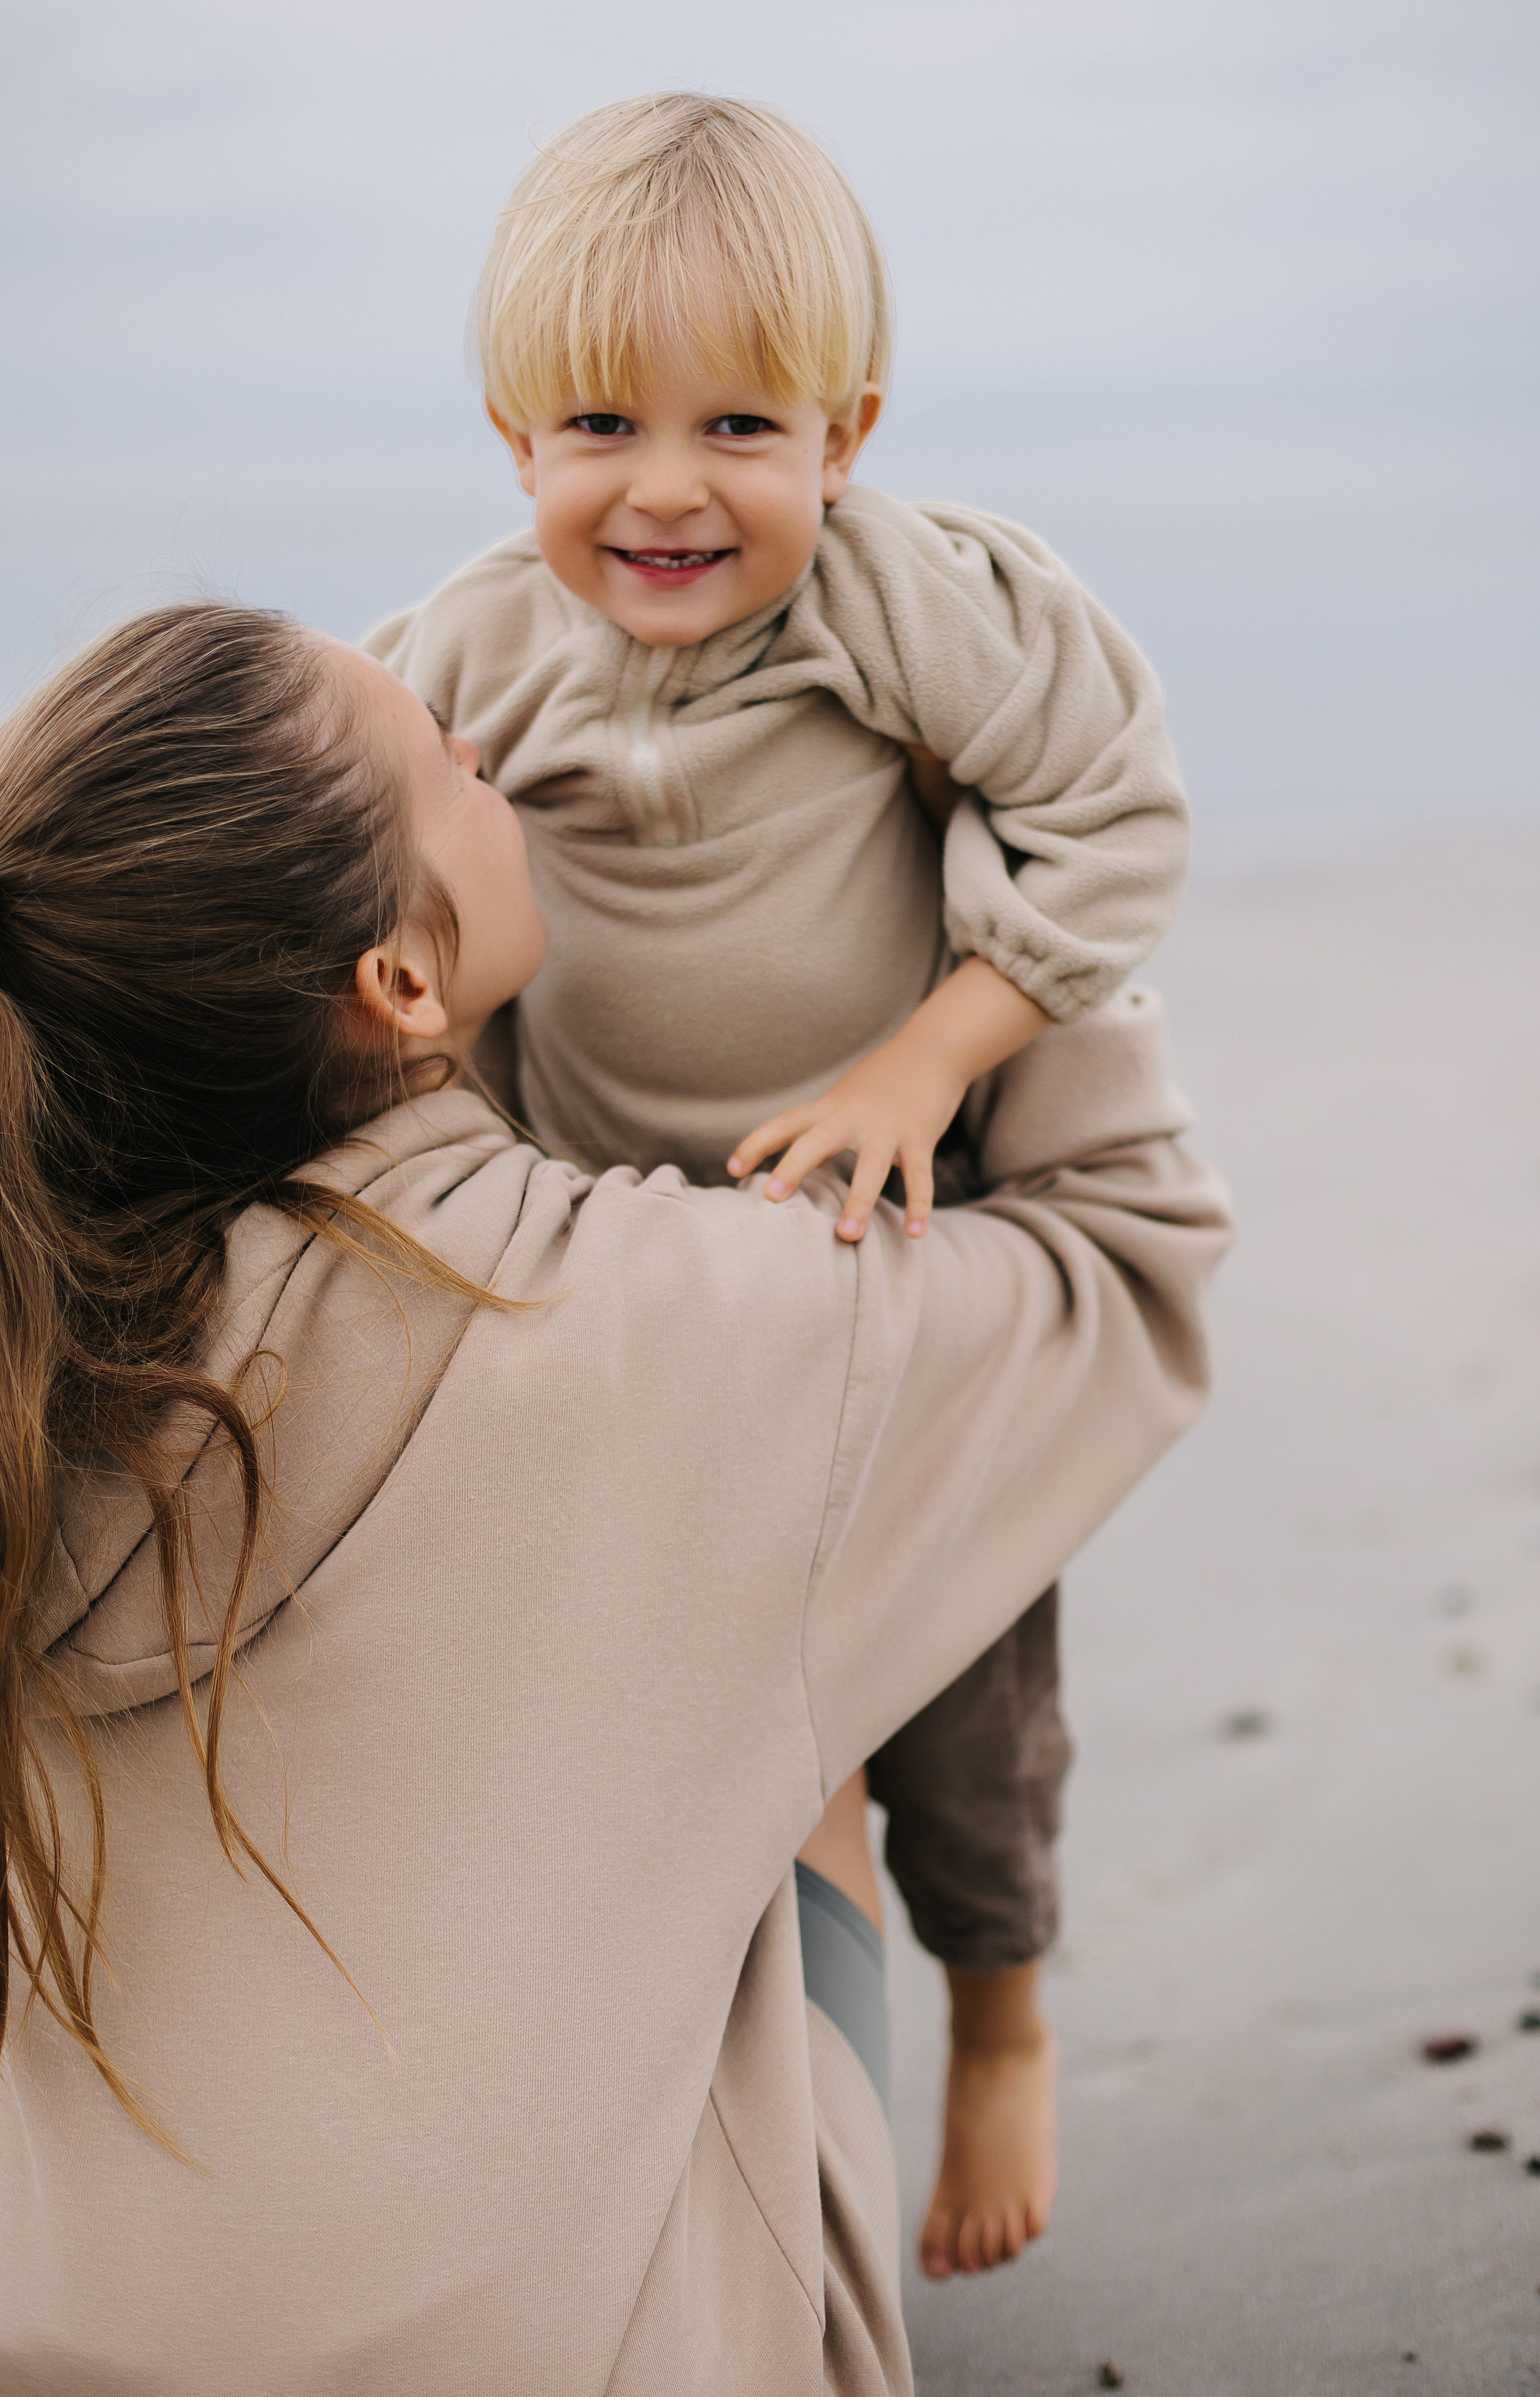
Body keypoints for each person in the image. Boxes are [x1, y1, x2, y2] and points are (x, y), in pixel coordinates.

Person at [0, 602, 1229, 2393]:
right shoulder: (672, 1323)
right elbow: (1130, 1265)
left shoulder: (35, 1366)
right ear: (398, 985)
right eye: (460, 766)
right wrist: (1001, 899)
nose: (502, 768)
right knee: (784, 1655)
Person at [367, 90, 1194, 2275]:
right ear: (506, 434)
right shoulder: (456, 660)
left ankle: (998, 2005)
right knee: (652, 1698)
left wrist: (934, 1055)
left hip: (897, 1251)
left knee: (971, 1701)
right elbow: (361, 923)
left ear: (849, 429)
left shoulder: (915, 604)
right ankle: (697, 2062)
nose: (665, 485)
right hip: (628, 1270)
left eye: (743, 423)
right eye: (597, 424)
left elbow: (1117, 821)